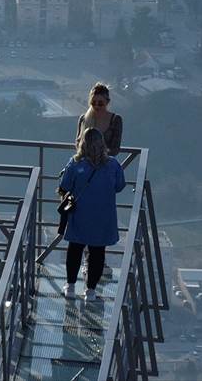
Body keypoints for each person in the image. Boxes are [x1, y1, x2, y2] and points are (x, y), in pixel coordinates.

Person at [58, 127, 126, 301]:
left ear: (83, 143)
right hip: (103, 215)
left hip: (80, 214)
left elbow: (64, 186)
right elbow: (119, 186)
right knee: (98, 252)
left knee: (75, 249)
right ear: (102, 143)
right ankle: (91, 291)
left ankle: (70, 286)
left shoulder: (75, 163)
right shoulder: (113, 165)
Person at [76, 82, 123, 157]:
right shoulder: (83, 119)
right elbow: (78, 143)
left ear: (107, 102)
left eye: (100, 103)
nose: (96, 106)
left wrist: (98, 156)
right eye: (93, 103)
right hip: (86, 160)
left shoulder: (115, 120)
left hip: (106, 161)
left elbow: (115, 148)